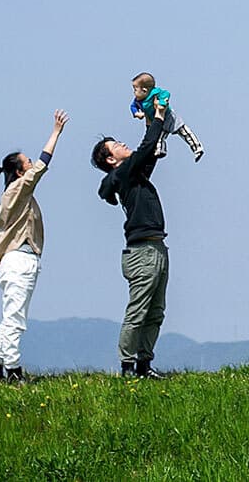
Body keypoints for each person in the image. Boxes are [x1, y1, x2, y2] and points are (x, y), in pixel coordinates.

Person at [93, 99, 175, 378]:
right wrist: (159, 117)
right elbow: (145, 149)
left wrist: (151, 121)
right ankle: (128, 367)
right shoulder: (124, 173)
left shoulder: (131, 175)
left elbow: (148, 153)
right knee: (139, 311)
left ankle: (144, 364)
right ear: (111, 159)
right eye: (116, 145)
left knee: (156, 311)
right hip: (143, 253)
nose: (122, 144)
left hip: (156, 248)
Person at [0, 109, 67, 383]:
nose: (31, 165)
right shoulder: (18, 191)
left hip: (10, 262)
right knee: (16, 319)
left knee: (8, 317)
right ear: (20, 171)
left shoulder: (8, 197)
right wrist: (55, 133)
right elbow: (41, 168)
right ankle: (13, 371)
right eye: (27, 163)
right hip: (21, 260)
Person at [128, 71, 205, 161]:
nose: (134, 93)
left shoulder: (155, 93)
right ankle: (160, 151)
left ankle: (197, 148)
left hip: (168, 116)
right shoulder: (138, 101)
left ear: (144, 90)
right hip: (158, 120)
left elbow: (166, 94)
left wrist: (162, 103)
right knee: (159, 136)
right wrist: (137, 113)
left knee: (184, 131)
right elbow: (132, 107)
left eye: (135, 90)